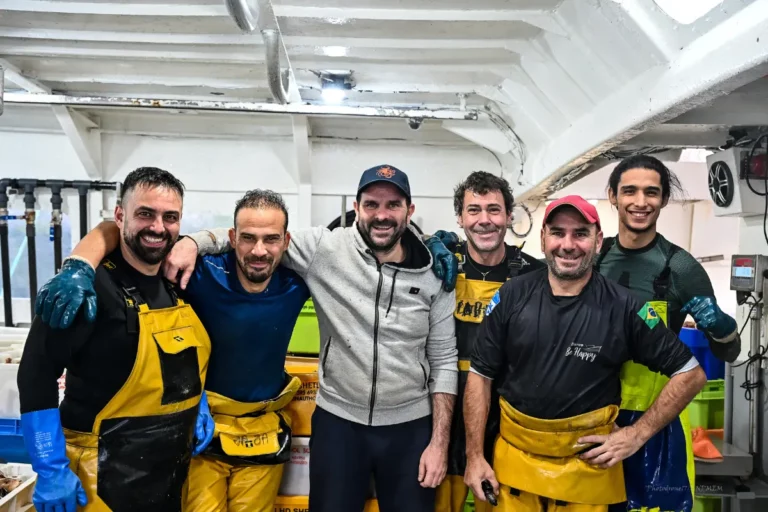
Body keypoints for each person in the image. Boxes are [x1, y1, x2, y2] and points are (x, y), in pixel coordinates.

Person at [176, 164, 459, 512]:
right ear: (357, 207)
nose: (381, 215)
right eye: (371, 204)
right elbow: (254, 235)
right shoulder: (324, 249)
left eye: (393, 205)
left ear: (409, 210)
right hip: (338, 423)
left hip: (411, 427)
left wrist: (439, 443)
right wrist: (192, 241)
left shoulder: (436, 272)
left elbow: (445, 361)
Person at [34, 190, 311, 512]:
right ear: (232, 238)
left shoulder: (298, 281)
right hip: (197, 433)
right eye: (248, 237)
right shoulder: (196, 272)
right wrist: (79, 264)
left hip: (262, 434)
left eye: (271, 239)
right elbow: (115, 231)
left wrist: (195, 239)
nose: (259, 250)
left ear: (287, 240)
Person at [462, 195, 707, 512]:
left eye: (580, 233)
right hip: (513, 468)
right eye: (558, 233)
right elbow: (480, 375)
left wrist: (636, 435)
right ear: (543, 238)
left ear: (597, 240)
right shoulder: (512, 294)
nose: (568, 244)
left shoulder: (627, 306)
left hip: (587, 475)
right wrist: (475, 456)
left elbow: (691, 374)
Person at [18, 167, 213, 512]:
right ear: (120, 215)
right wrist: (50, 467)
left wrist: (194, 401)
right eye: (145, 214)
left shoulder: (177, 282)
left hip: (167, 477)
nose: (157, 227)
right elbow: (36, 372)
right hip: (98, 481)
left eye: (170, 217)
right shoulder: (85, 289)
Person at [596, 155, 741, 512]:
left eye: (651, 192)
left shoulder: (680, 268)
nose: (640, 202)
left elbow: (729, 352)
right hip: (594, 419)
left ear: (663, 199)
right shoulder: (594, 259)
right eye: (629, 191)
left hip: (656, 425)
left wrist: (721, 328)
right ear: (613, 196)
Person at [430, 171, 545, 512]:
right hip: (444, 410)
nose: (485, 220)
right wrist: (426, 243)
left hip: (507, 417)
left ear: (510, 216)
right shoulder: (438, 268)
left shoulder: (534, 276)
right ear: (460, 217)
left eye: (494, 210)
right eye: (474, 210)